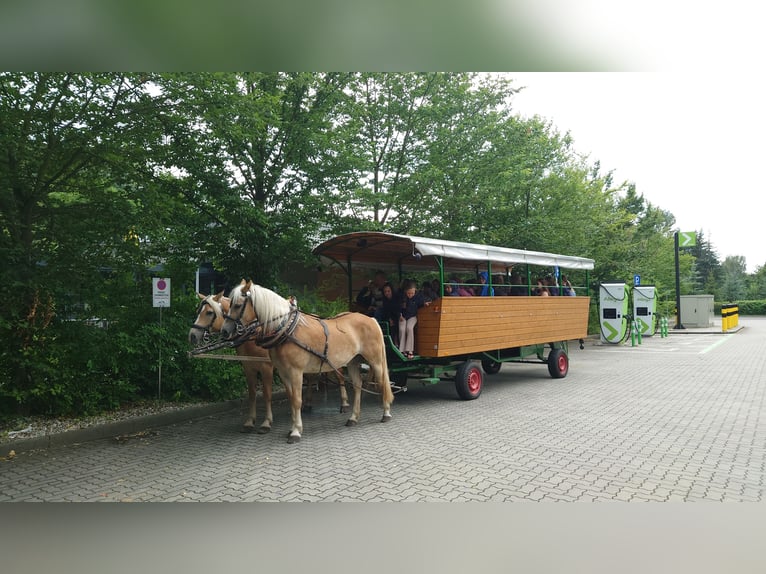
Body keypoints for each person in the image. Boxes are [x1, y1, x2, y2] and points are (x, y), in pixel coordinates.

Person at [398, 280, 430, 359]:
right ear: (406, 291)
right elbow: (398, 307)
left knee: (409, 328)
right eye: (409, 293)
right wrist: (399, 315)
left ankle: (409, 350)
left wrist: (424, 304)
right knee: (402, 329)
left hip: (413, 316)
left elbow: (421, 303)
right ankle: (402, 350)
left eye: (412, 293)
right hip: (403, 316)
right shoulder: (402, 297)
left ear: (415, 291)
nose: (410, 295)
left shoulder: (418, 296)